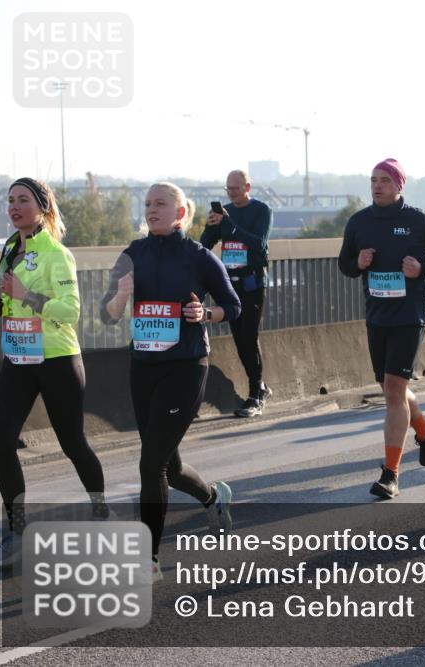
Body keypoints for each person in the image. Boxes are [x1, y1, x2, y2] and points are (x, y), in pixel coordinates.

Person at [101, 183, 242, 581]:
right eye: (147, 203)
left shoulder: (198, 256)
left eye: (160, 203)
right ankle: (213, 497)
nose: (152, 209)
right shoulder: (133, 254)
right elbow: (107, 315)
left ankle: (148, 559)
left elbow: (233, 306)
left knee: (151, 464)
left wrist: (205, 314)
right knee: (169, 465)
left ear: (180, 213)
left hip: (185, 368)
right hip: (144, 367)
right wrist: (121, 295)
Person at [0, 178, 110, 569]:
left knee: (72, 444)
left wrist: (27, 295)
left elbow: (70, 312)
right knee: (1, 444)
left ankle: (101, 512)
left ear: (43, 207)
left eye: (23, 200)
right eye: (10, 200)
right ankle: (17, 533)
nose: (14, 206)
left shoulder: (56, 253)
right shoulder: (9, 249)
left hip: (57, 360)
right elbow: (13, 305)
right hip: (19, 359)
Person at [338, 159, 425, 499]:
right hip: (377, 317)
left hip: (409, 315)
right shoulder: (359, 222)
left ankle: (390, 474)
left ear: (399, 185)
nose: (377, 186)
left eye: (385, 180)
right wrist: (357, 263)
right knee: (392, 390)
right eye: (373, 180)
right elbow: (344, 264)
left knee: (393, 388)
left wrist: (422, 269)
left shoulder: (417, 220)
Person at [200, 170, 273, 418]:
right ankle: (260, 386)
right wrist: (211, 226)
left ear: (247, 187)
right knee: (240, 339)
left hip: (252, 281)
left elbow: (258, 244)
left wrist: (228, 225)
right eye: (228, 189)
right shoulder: (225, 213)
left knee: (249, 336)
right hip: (229, 283)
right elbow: (206, 244)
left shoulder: (261, 211)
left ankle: (255, 394)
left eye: (236, 188)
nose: (231, 193)